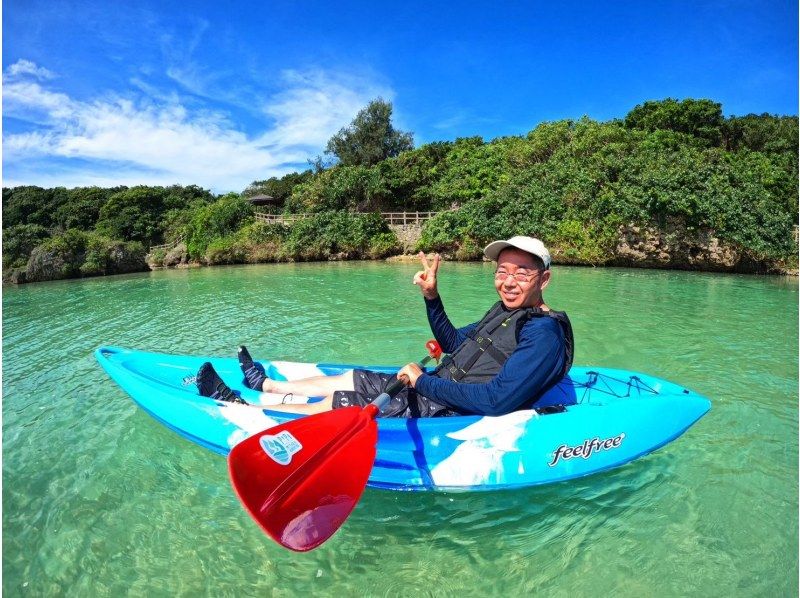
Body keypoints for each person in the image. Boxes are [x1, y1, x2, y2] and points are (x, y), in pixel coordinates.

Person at [196, 235, 574, 418]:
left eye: (522, 272)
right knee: (353, 378)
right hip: (439, 387)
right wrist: (432, 297)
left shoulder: (543, 332)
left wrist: (422, 380)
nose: (508, 281)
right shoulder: (506, 309)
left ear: (544, 279)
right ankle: (265, 385)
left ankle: (246, 410)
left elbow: (497, 401)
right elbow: (455, 344)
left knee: (343, 402)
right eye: (502, 271)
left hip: (449, 408)